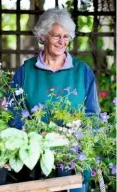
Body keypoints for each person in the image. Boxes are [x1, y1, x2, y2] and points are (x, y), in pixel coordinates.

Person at [9, 8, 100, 192]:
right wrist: (32, 137)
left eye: (66, 36)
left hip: (72, 161)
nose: (62, 42)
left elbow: (92, 116)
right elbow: (12, 111)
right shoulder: (26, 71)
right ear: (43, 36)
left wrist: (73, 139)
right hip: (33, 163)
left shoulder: (82, 72)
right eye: (56, 36)